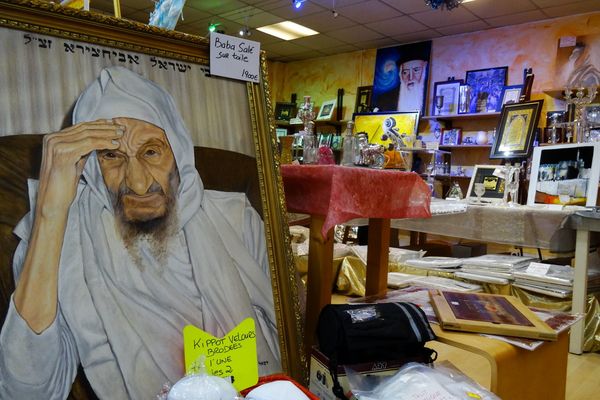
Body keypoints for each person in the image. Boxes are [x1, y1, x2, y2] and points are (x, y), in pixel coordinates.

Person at [0, 66, 280, 399]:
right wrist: (49, 212)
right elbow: (27, 390)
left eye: (151, 151)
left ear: (178, 153)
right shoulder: (60, 239)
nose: (137, 182)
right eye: (111, 156)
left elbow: (290, 338)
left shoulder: (239, 222)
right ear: (91, 165)